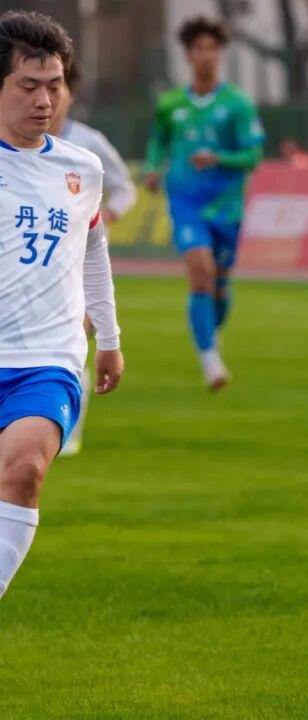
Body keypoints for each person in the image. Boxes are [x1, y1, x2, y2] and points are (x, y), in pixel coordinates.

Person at [0, 10, 124, 600]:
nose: (45, 100)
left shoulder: (82, 168)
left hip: (47, 360)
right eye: (28, 85)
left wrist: (111, 338)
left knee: (24, 471)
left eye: (54, 84)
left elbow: (93, 250)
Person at [144, 16, 265, 390]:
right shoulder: (171, 103)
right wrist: (152, 168)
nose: (206, 55)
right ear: (188, 54)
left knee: (219, 287)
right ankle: (211, 362)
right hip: (186, 202)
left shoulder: (237, 105)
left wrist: (219, 158)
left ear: (220, 54)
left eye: (212, 48)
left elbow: (253, 156)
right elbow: (159, 140)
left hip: (226, 206)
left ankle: (211, 332)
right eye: (199, 48)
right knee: (200, 269)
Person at [48, 58, 136, 456]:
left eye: (57, 87)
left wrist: (106, 217)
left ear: (70, 94)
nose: (48, 98)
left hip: (79, 262)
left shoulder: (88, 144)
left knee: (75, 339)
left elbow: (124, 187)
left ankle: (69, 429)